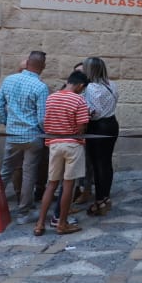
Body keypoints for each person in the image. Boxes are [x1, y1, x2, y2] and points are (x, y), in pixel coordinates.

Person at [0, 51, 49, 219]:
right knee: (29, 173)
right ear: (43, 67)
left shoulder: (9, 80)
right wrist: (45, 133)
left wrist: (6, 122)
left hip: (12, 134)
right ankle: (24, 210)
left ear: (28, 63)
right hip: (33, 136)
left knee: (6, 170)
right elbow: (42, 118)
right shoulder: (41, 87)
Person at [36, 71, 90, 236]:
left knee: (51, 184)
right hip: (72, 145)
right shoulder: (79, 99)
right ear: (80, 86)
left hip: (54, 144)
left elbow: (46, 121)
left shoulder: (51, 98)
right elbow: (81, 127)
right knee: (68, 185)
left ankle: (40, 224)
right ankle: (62, 223)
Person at [81, 57, 119, 216]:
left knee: (97, 164)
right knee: (106, 161)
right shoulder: (112, 84)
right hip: (112, 124)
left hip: (98, 126)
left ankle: (99, 200)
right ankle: (106, 196)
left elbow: (94, 112)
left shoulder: (91, 87)